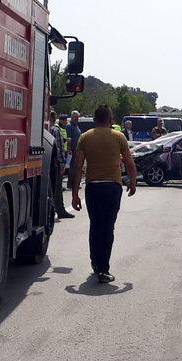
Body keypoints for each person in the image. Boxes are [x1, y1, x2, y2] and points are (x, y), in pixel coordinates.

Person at [72, 105, 137, 283]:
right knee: (108, 227)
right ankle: (103, 269)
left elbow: (78, 167)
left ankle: (95, 262)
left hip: (93, 187)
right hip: (112, 187)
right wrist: (132, 182)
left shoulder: (85, 137)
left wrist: (75, 193)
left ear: (94, 119)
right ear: (110, 120)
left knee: (95, 225)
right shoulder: (119, 137)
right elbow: (130, 163)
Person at [49, 111, 74, 219]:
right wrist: (63, 163)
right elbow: (58, 148)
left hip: (48, 163)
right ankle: (60, 210)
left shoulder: (48, 129)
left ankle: (53, 210)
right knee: (57, 188)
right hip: (56, 162)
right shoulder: (56, 130)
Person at [66, 110, 82, 189]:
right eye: (76, 117)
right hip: (72, 149)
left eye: (78, 117)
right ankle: (70, 184)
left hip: (77, 149)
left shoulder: (76, 126)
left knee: (76, 167)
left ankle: (75, 184)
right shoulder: (69, 126)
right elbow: (68, 138)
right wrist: (69, 149)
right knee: (72, 167)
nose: (77, 119)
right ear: (72, 117)